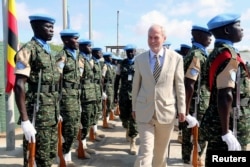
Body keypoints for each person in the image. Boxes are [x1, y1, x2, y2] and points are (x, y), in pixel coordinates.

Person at [132, 24, 186, 167]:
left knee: (160, 154)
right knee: (145, 151)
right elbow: (135, 85)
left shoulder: (176, 59)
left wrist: (182, 109)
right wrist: (134, 108)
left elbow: (179, 85)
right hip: (144, 111)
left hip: (166, 112)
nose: (153, 41)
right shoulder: (139, 59)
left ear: (164, 38)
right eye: (150, 37)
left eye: (156, 37)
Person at [200, 13, 250, 166]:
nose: (242, 29)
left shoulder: (217, 53)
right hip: (230, 123)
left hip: (221, 120)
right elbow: (225, 95)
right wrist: (226, 132)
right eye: (238, 26)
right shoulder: (228, 56)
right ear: (227, 30)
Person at [14, 14, 60, 167]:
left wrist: (56, 110)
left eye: (52, 27)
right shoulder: (28, 50)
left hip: (51, 109)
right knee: (36, 154)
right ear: (36, 28)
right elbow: (19, 85)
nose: (52, 30)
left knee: (49, 153)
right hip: (38, 112)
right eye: (48, 27)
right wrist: (25, 120)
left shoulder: (48, 51)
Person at [182, 25, 212, 165]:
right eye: (208, 35)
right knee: (196, 137)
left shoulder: (198, 53)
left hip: (195, 103)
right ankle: (194, 160)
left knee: (190, 138)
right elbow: (189, 83)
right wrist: (187, 112)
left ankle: (190, 160)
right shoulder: (197, 55)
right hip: (197, 104)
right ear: (199, 36)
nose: (211, 38)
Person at [55, 28, 82, 164]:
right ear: (66, 40)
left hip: (75, 97)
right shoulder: (62, 56)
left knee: (74, 127)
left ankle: (67, 157)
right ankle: (64, 158)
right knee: (69, 129)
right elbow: (57, 80)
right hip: (66, 99)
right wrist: (57, 104)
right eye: (74, 39)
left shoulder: (76, 57)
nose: (77, 41)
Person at [114, 44, 138, 155]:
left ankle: (133, 141)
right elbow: (117, 80)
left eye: (132, 51)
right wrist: (115, 94)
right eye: (128, 52)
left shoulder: (139, 64)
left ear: (135, 52)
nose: (130, 53)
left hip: (135, 96)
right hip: (123, 95)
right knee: (123, 117)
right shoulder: (121, 64)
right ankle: (127, 128)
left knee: (134, 118)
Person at [102, 52, 116, 128]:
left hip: (111, 86)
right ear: (106, 58)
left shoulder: (110, 66)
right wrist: (103, 91)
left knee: (110, 104)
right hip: (107, 87)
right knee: (107, 105)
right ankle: (105, 122)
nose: (111, 58)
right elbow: (102, 78)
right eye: (110, 57)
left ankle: (106, 121)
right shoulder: (105, 66)